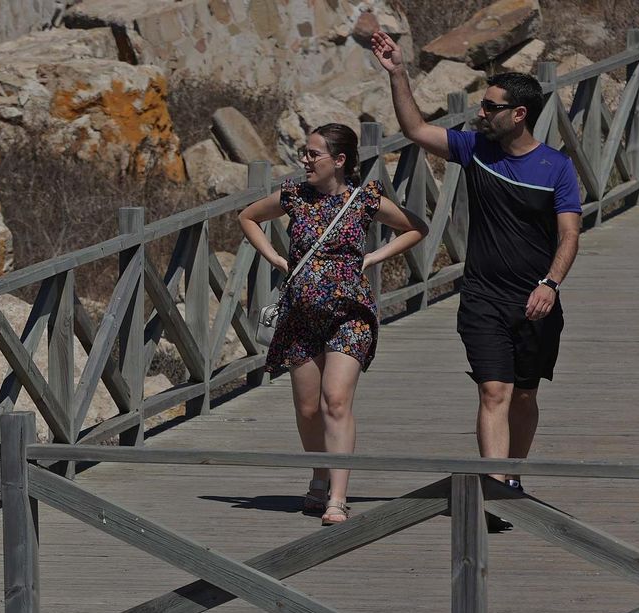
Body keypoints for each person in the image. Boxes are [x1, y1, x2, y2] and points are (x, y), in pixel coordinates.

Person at [371, 31, 581, 508]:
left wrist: (551, 283)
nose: (479, 113)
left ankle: (513, 475)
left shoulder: (556, 168)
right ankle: (497, 488)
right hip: (483, 297)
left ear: (518, 114)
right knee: (493, 390)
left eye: (489, 107)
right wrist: (398, 72)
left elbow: (569, 236)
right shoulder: (474, 151)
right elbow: (415, 130)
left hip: (537, 300)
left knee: (524, 396)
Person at [239, 123, 428, 525]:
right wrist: (275, 258)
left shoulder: (364, 200)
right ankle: (320, 474)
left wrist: (375, 257)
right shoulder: (294, 196)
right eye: (305, 153)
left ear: (338, 161)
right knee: (308, 409)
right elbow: (248, 218)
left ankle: (337, 499)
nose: (304, 160)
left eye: (312, 154)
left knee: (336, 401)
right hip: (300, 316)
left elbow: (416, 228)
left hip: (350, 315)